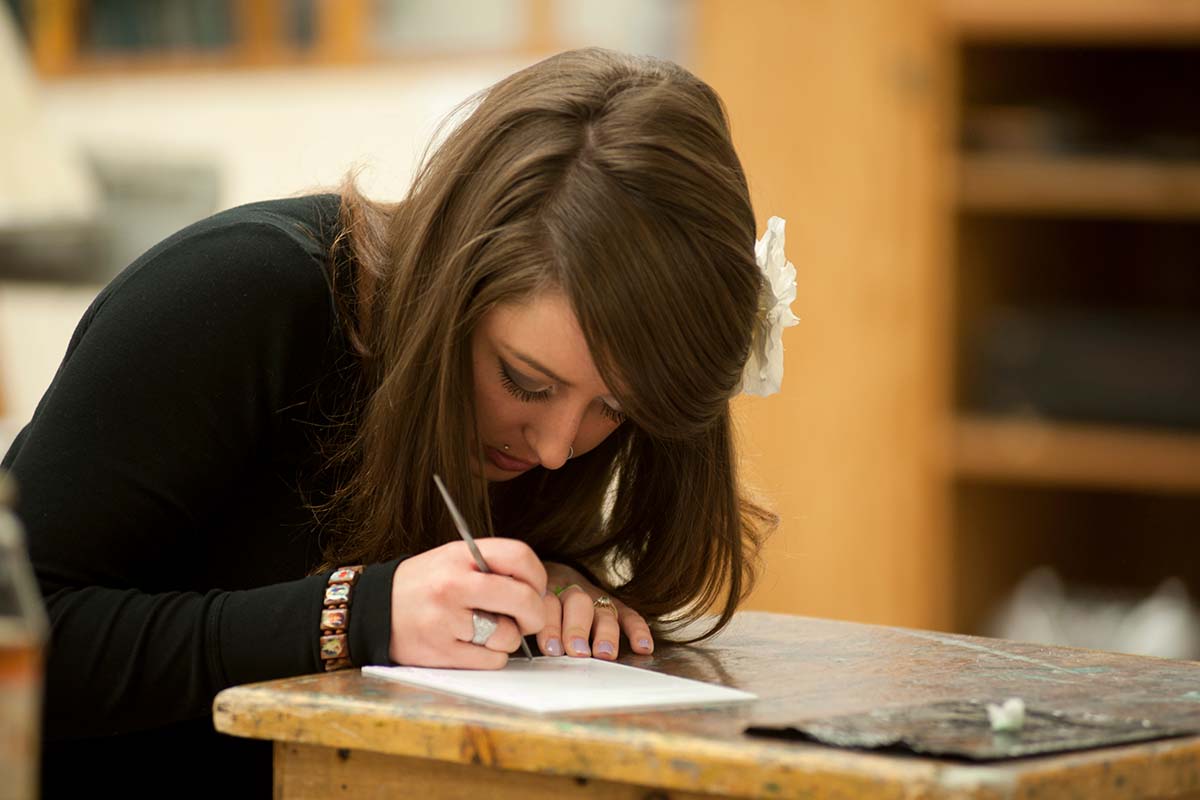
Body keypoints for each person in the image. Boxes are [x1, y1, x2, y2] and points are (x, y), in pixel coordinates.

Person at [3, 47, 796, 796]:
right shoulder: (237, 297)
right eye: (524, 382)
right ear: (452, 287)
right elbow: (25, 632)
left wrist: (540, 588)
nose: (558, 450)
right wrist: (357, 614)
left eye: (614, 409)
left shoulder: (547, 427)